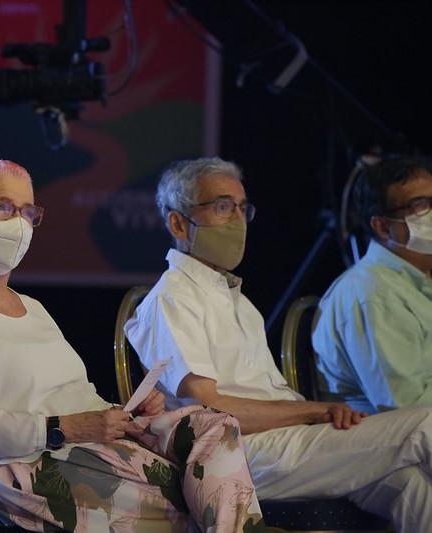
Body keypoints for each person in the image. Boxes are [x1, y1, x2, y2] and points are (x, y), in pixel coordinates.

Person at [0, 158, 266, 532]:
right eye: (3, 206)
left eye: (27, 211)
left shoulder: (32, 308)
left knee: (215, 426)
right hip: (13, 468)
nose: (18, 223)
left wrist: (124, 413)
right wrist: (72, 427)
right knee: (193, 495)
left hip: (84, 447)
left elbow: (74, 396)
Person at [124, 156, 432, 531]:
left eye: (241, 208)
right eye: (222, 206)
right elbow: (210, 408)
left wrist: (310, 416)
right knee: (426, 425)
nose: (237, 219)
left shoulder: (235, 297)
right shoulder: (171, 298)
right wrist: (313, 412)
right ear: (178, 222)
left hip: (290, 441)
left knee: (413, 488)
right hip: (236, 454)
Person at [313, 157, 432, 414]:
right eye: (420, 205)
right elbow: (406, 407)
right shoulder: (373, 292)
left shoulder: (419, 281)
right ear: (382, 226)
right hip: (391, 441)